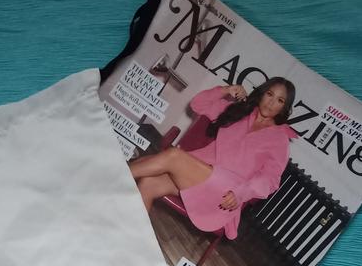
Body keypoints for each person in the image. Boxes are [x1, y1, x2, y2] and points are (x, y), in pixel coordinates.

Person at [127, 78, 298, 240]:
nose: (271, 102)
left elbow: (270, 180)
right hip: (201, 178)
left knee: (174, 155)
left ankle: (117, 172)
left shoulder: (280, 140)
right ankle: (129, 238)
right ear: (261, 94)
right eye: (269, 94)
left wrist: (242, 193)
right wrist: (226, 90)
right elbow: (198, 104)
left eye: (280, 100)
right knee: (148, 183)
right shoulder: (240, 112)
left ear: (284, 108)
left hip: (226, 193)